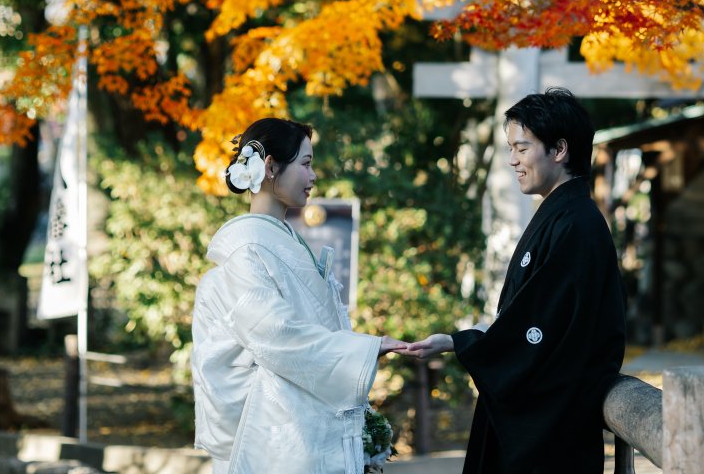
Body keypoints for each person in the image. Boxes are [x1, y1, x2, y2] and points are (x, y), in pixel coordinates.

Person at [402, 88, 626, 473]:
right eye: (511, 149)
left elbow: (541, 328)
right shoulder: (562, 216)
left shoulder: (577, 225)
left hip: (553, 429)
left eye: (522, 148)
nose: (513, 160)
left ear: (559, 149)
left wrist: (462, 343)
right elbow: (529, 316)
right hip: (546, 419)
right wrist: (460, 341)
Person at [191, 117, 405, 474]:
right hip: (271, 438)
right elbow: (275, 334)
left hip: (295, 434)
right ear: (270, 167)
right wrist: (365, 348)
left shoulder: (278, 242)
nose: (313, 176)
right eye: (305, 164)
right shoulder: (245, 248)